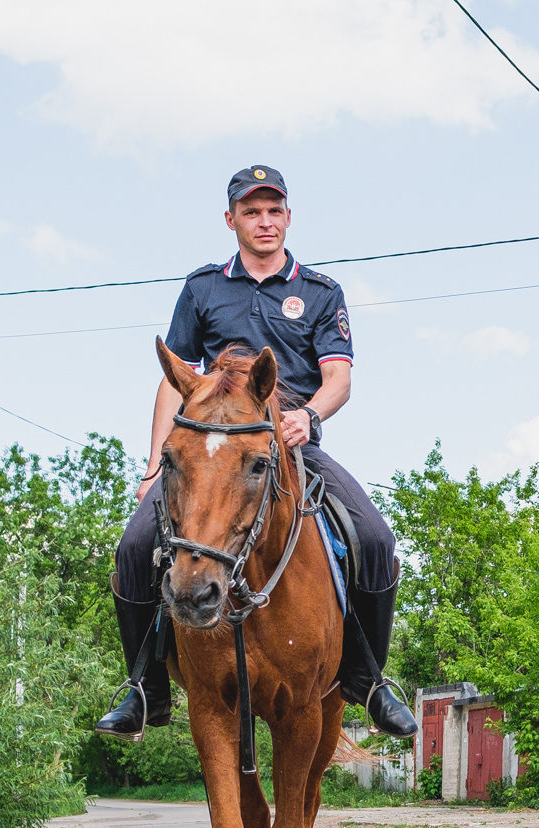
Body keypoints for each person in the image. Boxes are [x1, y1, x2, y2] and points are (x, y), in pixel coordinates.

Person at [95, 165, 418, 742]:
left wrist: (308, 415)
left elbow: (339, 378)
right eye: (251, 211)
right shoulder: (202, 289)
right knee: (134, 546)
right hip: (214, 450)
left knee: (374, 538)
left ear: (288, 217)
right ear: (231, 220)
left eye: (274, 211)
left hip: (288, 446)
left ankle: (367, 680)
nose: (264, 221)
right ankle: (144, 688)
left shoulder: (320, 292)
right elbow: (176, 379)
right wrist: (152, 467)